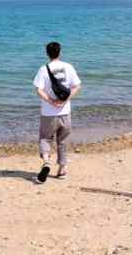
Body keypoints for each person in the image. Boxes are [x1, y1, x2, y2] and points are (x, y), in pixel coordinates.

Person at [32, 42, 81, 182]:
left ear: (47, 53)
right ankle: (61, 170)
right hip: (65, 112)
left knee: (45, 138)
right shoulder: (68, 67)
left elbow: (39, 90)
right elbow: (77, 86)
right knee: (63, 141)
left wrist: (52, 102)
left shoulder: (43, 69)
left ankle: (46, 162)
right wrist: (64, 101)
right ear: (60, 52)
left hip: (48, 113)